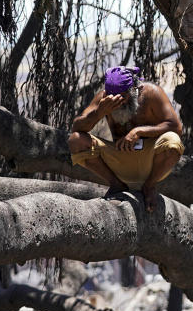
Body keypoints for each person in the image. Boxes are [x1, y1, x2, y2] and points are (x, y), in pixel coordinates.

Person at [68, 66, 184, 212]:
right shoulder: (104, 99)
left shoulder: (151, 94)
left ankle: (149, 186)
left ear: (134, 88)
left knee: (172, 140)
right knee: (76, 140)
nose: (118, 102)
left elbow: (176, 127)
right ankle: (116, 185)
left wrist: (139, 131)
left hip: (151, 161)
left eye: (123, 96)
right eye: (113, 97)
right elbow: (77, 128)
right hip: (119, 160)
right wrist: (99, 112)